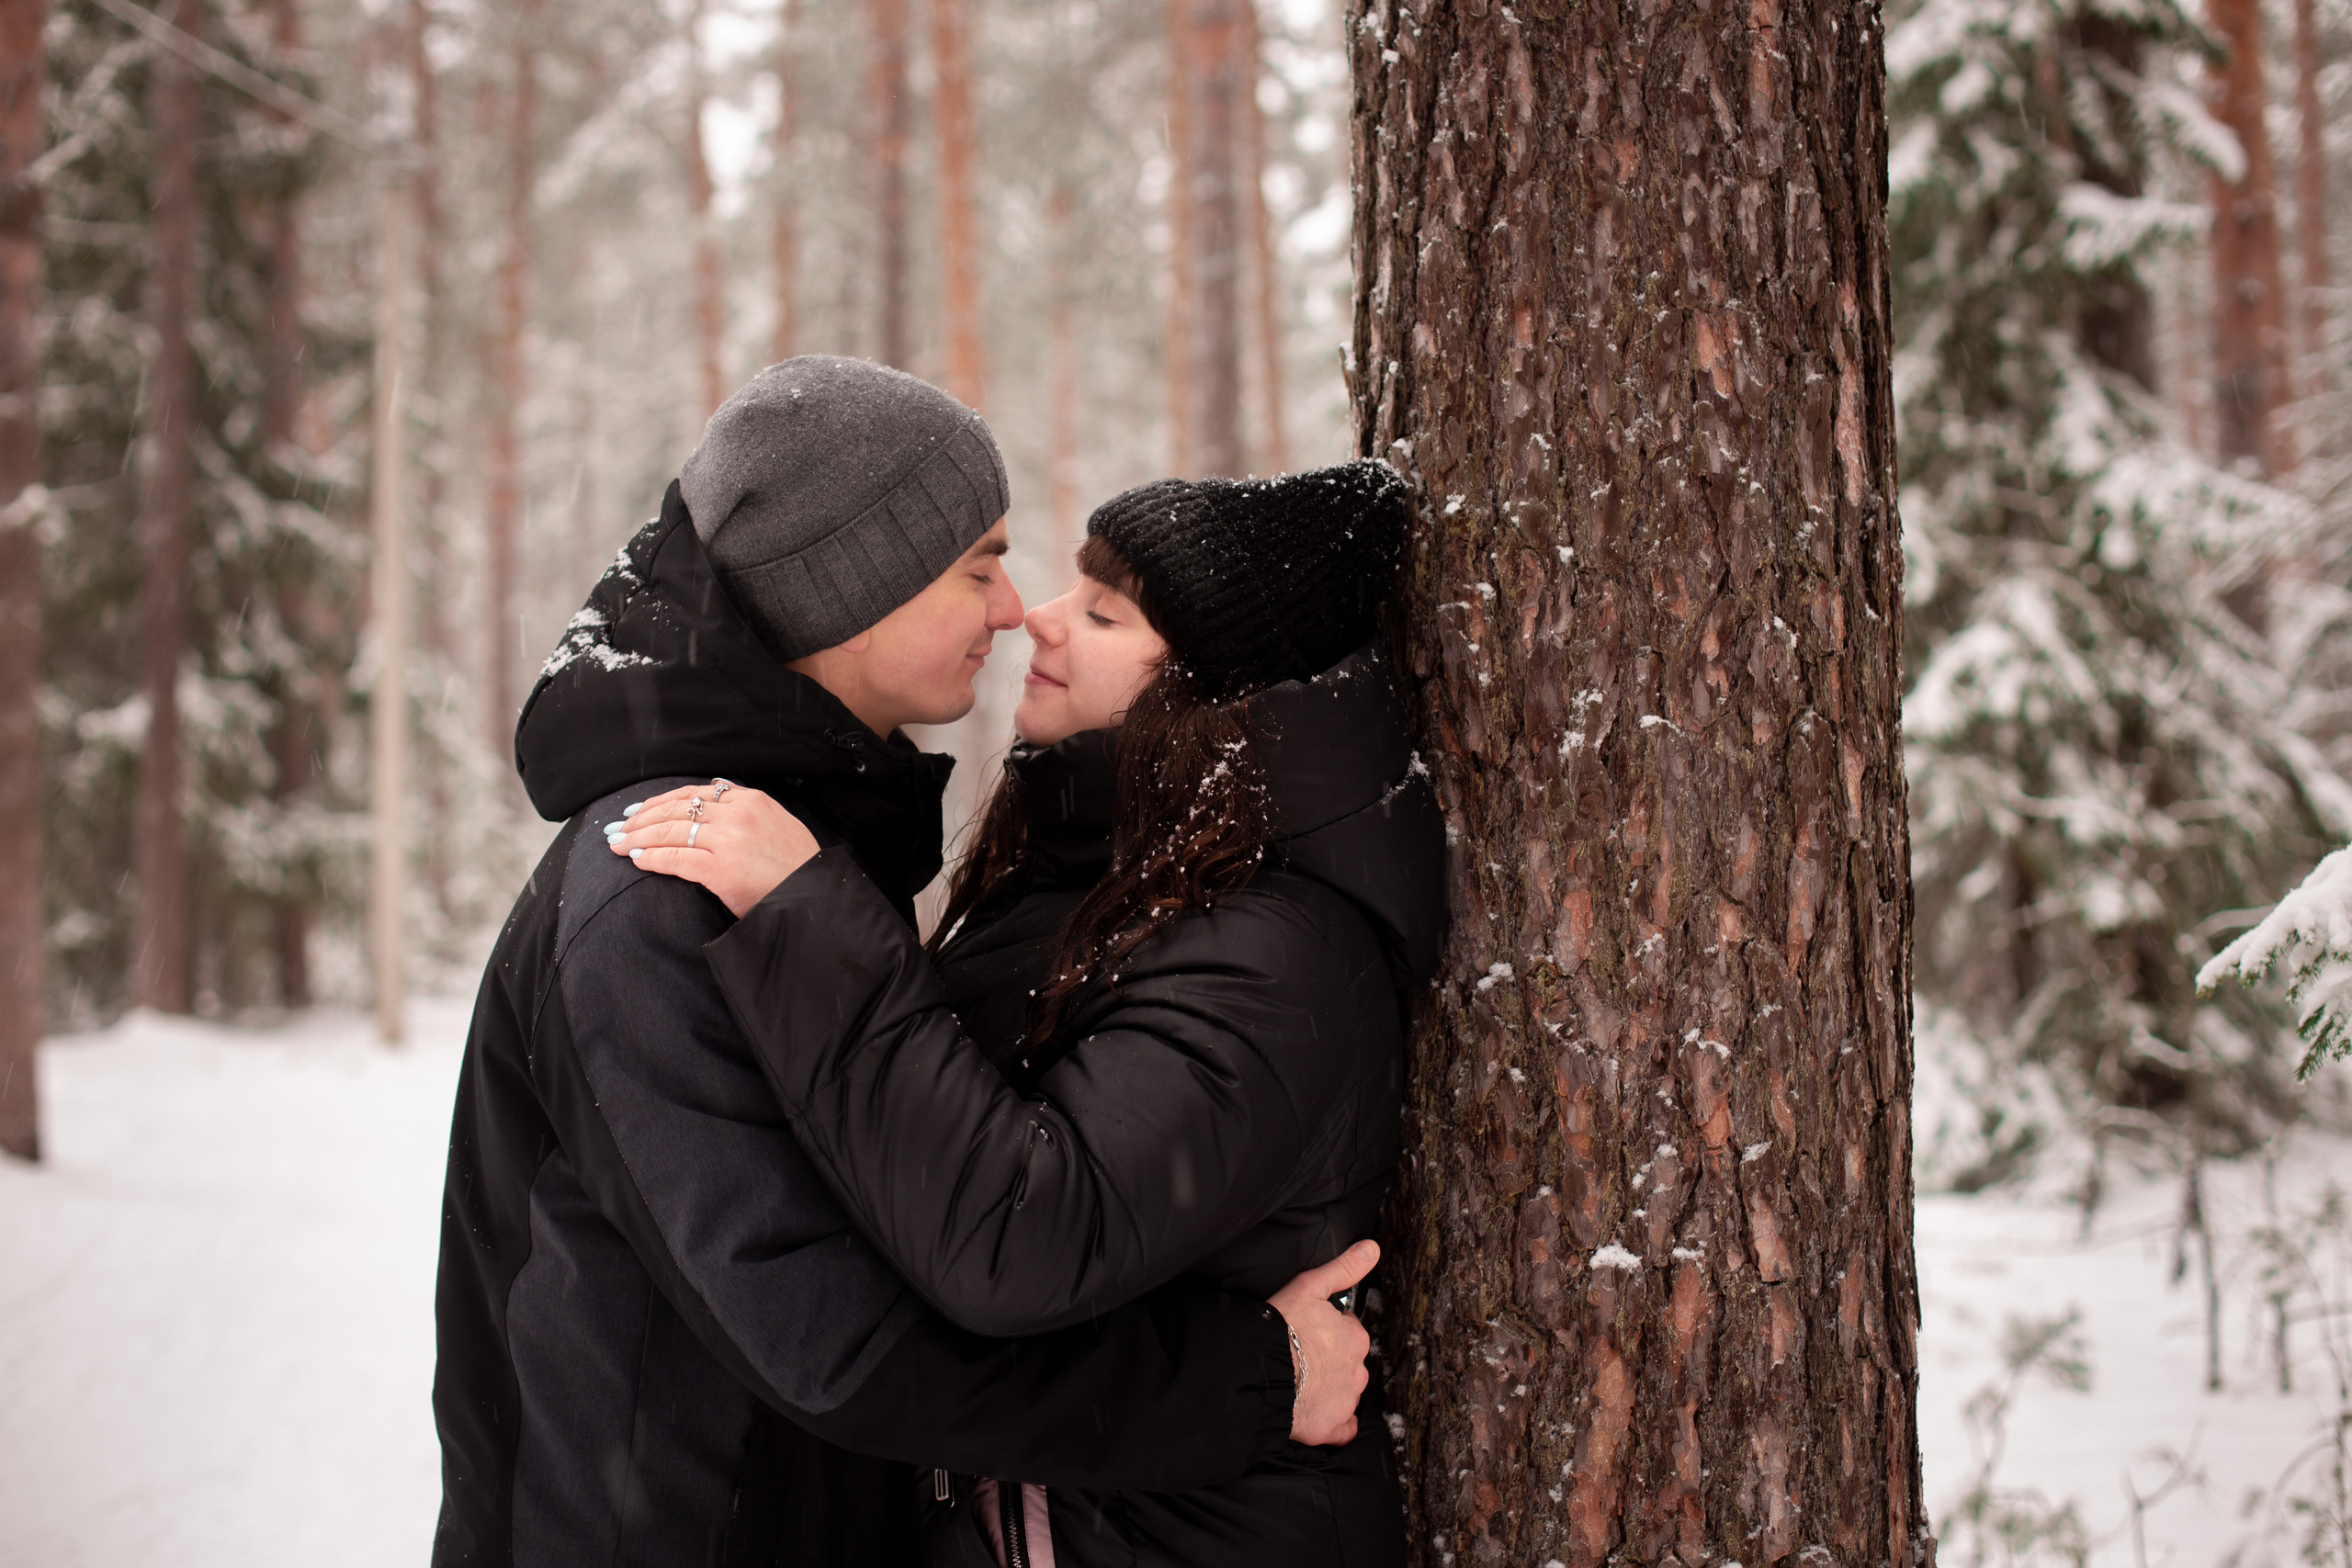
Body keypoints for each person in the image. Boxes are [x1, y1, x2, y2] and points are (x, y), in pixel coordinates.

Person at [432, 357, 1376, 1568]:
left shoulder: (787, 856)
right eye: (978, 563)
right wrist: (1248, 1377)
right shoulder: (667, 881)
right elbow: (839, 1336)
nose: (1009, 607)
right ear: (852, 587)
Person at [615, 461, 1446, 1566]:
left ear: (1211, 694)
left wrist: (812, 925)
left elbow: (1018, 1237)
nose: (1035, 623)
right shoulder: (1116, 882)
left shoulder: (1269, 949)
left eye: (1102, 614)